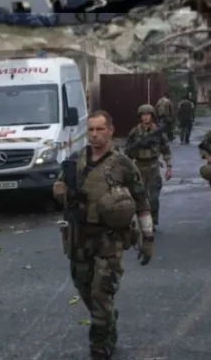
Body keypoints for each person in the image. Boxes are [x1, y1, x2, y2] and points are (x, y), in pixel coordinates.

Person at [54, 110, 153, 360]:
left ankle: (99, 348)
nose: (95, 135)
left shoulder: (123, 164)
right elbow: (60, 188)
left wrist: (148, 237)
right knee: (84, 288)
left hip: (109, 239)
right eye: (91, 130)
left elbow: (141, 201)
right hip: (79, 236)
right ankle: (107, 317)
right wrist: (59, 190)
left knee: (101, 292)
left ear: (110, 130)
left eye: (100, 129)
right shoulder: (75, 161)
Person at [124, 104, 172, 226]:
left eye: (148, 115)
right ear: (140, 117)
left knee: (154, 197)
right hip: (139, 166)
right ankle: (144, 222)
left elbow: (165, 149)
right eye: (143, 115)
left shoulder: (158, 131)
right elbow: (127, 150)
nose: (146, 117)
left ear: (152, 116)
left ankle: (153, 220)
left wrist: (169, 168)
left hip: (153, 166)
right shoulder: (135, 132)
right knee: (140, 197)